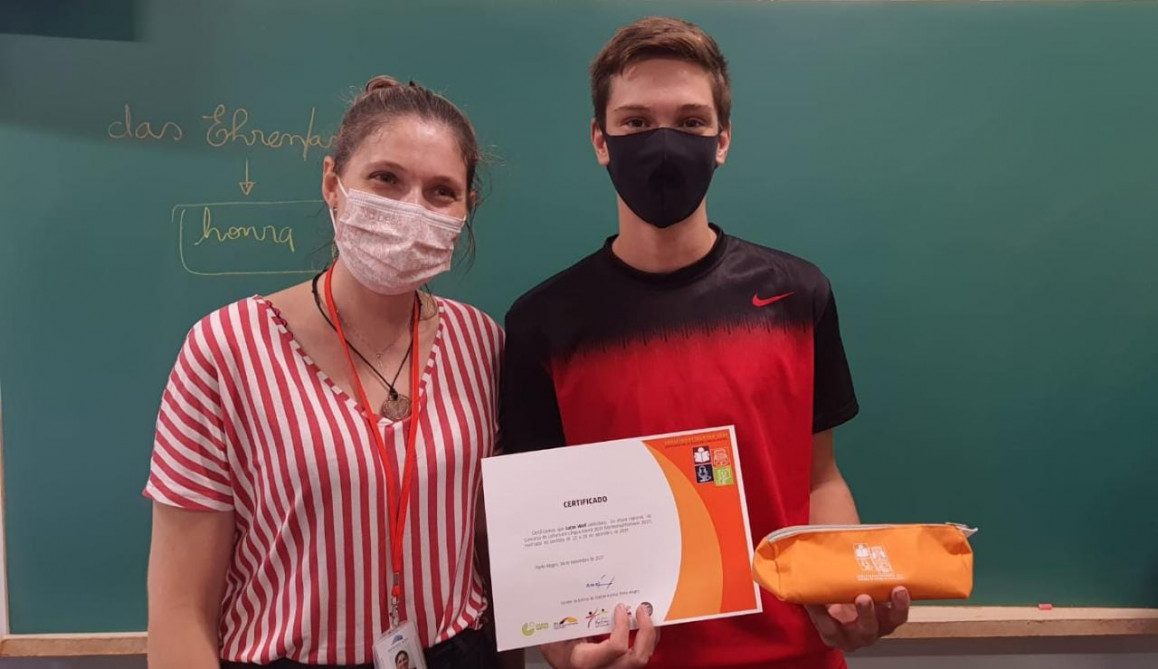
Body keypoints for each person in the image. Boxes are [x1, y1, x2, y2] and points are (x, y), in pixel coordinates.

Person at [500, 17, 909, 669]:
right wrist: (564, 652)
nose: (663, 144)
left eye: (690, 122)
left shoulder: (797, 295)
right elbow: (537, 527)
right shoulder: (541, 324)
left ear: (722, 141)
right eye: (636, 122)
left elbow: (820, 477)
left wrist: (845, 592)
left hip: (796, 658)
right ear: (601, 140)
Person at [145, 75, 503, 669]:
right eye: (386, 178)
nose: (411, 209)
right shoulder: (226, 349)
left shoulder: (482, 344)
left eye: (442, 191)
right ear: (333, 183)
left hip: (458, 652)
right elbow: (180, 611)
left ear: (467, 209)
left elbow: (497, 546)